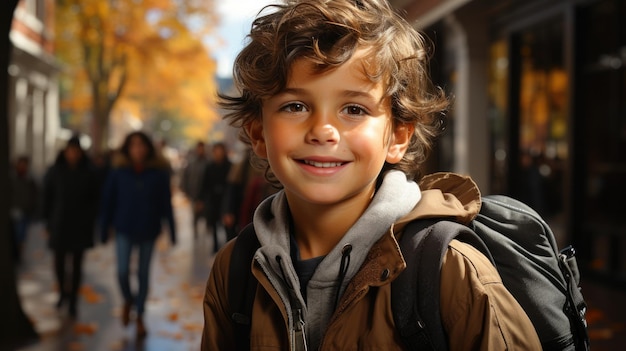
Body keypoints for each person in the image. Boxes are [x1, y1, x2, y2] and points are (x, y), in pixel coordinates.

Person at [201, 0, 541, 350]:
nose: (323, 130)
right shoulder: (235, 269)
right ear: (258, 133)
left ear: (397, 136)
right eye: (295, 106)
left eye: (353, 109)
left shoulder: (451, 272)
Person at [100, 131, 176, 339]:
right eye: (133, 145)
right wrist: (103, 228)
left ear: (148, 148)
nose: (138, 149)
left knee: (143, 275)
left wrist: (172, 230)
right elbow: (108, 201)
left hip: (149, 230)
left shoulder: (158, 174)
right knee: (122, 271)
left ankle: (140, 315)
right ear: (128, 149)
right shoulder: (118, 172)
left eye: (141, 145)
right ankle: (128, 300)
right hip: (123, 228)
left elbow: (165, 204)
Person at [42, 136, 99, 318]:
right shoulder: (55, 171)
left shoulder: (89, 172)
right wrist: (47, 221)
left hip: (80, 226)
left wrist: (91, 219)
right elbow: (47, 196)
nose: (73, 154)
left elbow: (95, 200)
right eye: (70, 150)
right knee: (59, 263)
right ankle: (62, 294)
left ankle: (73, 299)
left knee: (76, 265)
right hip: (59, 223)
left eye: (76, 151)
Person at [199, 142, 231, 252]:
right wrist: (201, 199)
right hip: (213, 200)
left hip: (225, 200)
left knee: (227, 226)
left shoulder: (229, 166)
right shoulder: (210, 167)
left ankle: (228, 247)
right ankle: (215, 246)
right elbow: (205, 184)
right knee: (214, 225)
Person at [9, 155, 39, 263]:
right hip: (14, 211)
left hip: (26, 211)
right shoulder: (12, 178)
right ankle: (16, 255)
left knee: (22, 236)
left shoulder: (30, 180)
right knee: (17, 235)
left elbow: (35, 195)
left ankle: (18, 255)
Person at [180, 141, 209, 237]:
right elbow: (185, 177)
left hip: (206, 195)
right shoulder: (192, 162)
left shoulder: (208, 161)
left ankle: (206, 232)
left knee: (206, 214)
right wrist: (186, 191)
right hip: (194, 193)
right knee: (195, 215)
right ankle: (195, 233)